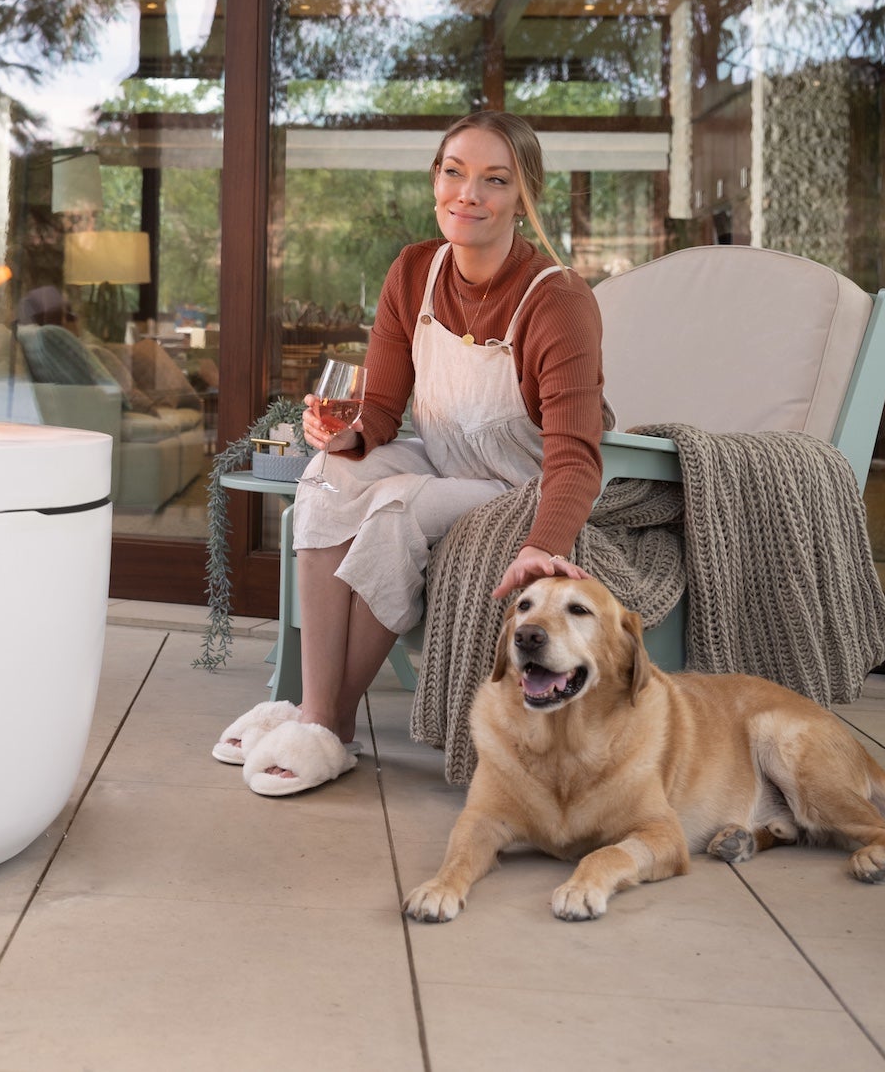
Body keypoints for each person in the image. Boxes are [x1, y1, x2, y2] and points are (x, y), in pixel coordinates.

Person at [214, 111, 607, 796]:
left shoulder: (557, 299)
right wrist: (348, 436)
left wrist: (542, 544)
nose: (468, 194)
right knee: (325, 477)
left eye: (494, 179)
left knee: (394, 506)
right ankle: (315, 711)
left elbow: (575, 454)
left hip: (519, 480)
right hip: (443, 456)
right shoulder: (415, 270)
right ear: (436, 178)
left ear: (523, 194)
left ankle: (325, 721)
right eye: (454, 172)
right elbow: (384, 411)